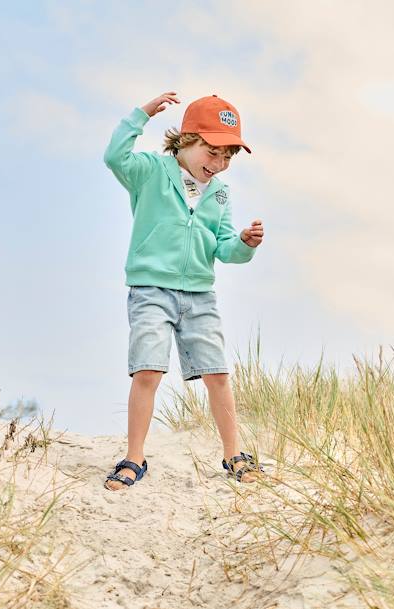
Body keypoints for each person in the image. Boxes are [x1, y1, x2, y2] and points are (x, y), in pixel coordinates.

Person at [103, 92, 264, 491]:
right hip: (151, 289)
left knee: (218, 374)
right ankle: (134, 456)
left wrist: (244, 242)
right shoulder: (151, 171)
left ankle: (233, 454)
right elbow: (114, 157)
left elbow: (224, 248)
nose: (219, 163)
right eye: (212, 151)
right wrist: (141, 115)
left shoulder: (220, 194)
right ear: (187, 139)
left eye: (228, 156)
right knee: (148, 370)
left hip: (199, 295)